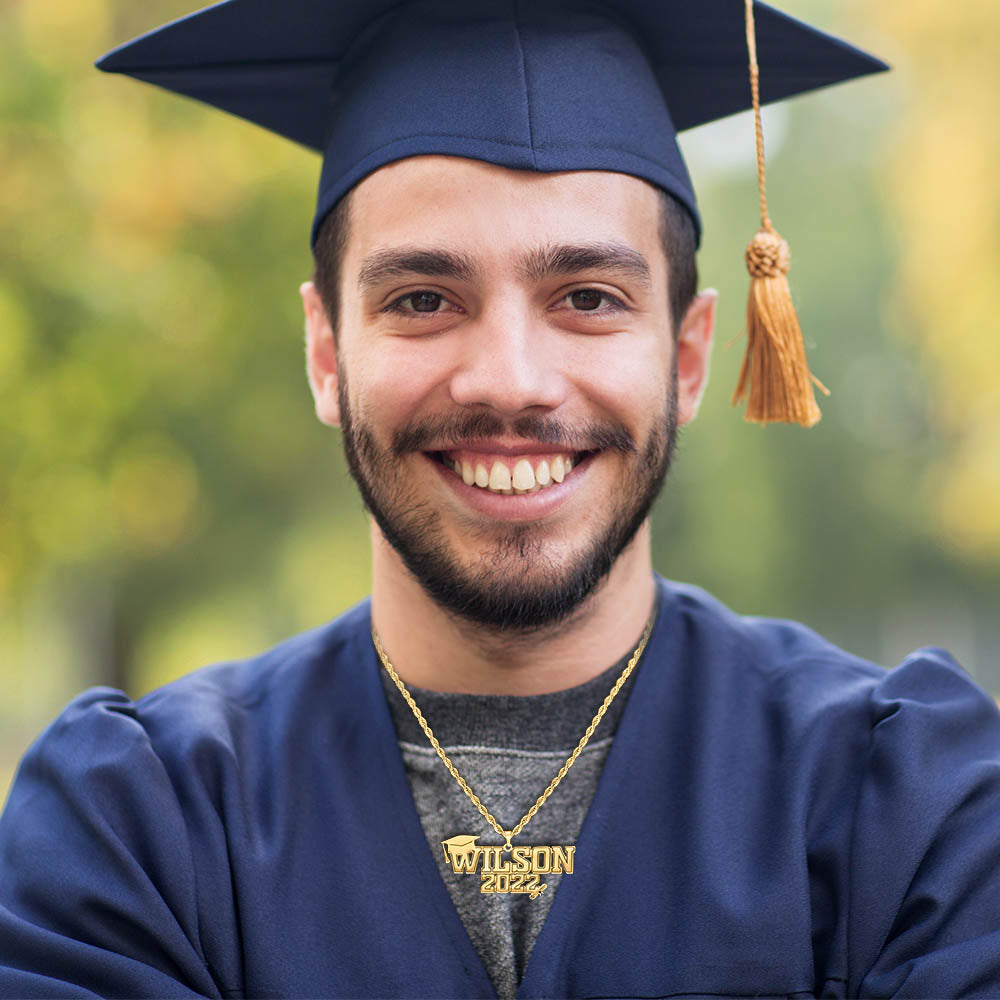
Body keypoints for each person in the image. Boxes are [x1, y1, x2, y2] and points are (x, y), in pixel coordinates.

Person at [2, 1, 999, 997]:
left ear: (688, 357)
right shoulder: (138, 822)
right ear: (324, 353)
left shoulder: (906, 806)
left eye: (588, 299)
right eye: (422, 300)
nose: (509, 380)